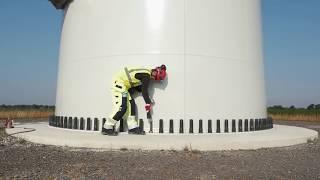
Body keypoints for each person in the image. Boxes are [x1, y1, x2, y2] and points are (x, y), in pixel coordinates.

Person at [102, 65, 167, 136]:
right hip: (119, 84)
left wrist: (147, 98)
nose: (154, 74)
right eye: (156, 72)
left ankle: (132, 127)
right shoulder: (146, 75)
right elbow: (144, 91)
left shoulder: (145, 72)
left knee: (131, 105)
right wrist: (148, 103)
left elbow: (139, 87)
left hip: (124, 86)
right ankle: (107, 127)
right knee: (121, 107)